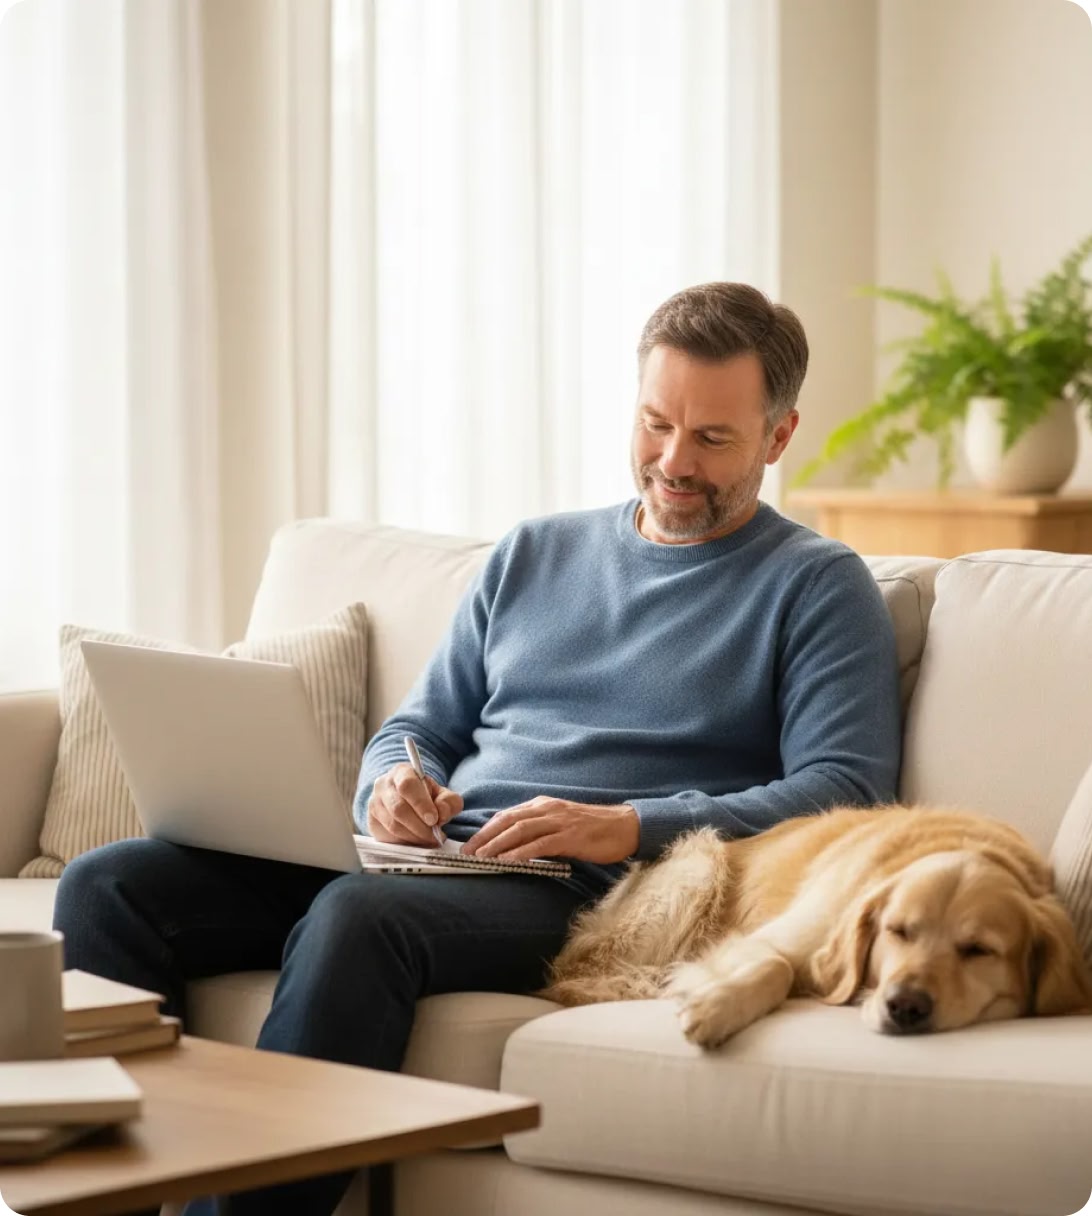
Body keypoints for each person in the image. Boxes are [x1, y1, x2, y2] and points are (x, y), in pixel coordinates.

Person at [52, 282, 902, 1215]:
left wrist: (624, 826)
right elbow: (419, 728)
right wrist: (394, 783)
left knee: (358, 917)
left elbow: (844, 792)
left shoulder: (817, 585)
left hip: (596, 891)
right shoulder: (533, 553)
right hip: (431, 857)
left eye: (712, 438)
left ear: (779, 437)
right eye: (655, 423)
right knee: (111, 883)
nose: (671, 460)